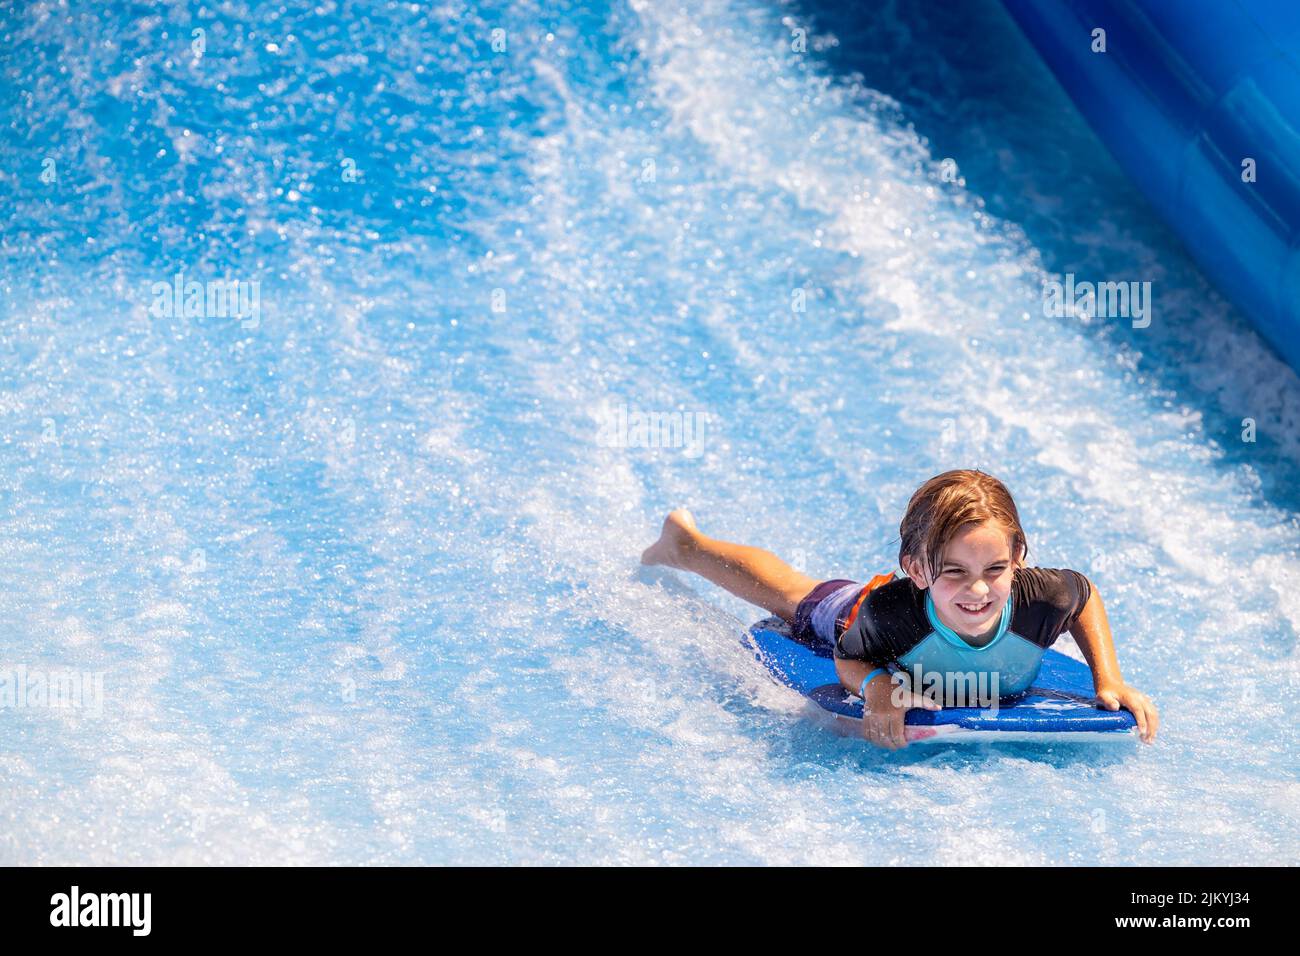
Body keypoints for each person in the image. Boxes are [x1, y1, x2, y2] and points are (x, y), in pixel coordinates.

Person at [641, 469, 1159, 749]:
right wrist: (878, 686)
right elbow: (848, 658)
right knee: (796, 595)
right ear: (917, 568)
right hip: (856, 616)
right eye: (954, 571)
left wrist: (1107, 680)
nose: (978, 590)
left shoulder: (1041, 597)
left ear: (1019, 556)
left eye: (995, 569)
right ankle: (687, 544)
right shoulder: (890, 614)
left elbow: (1085, 596)